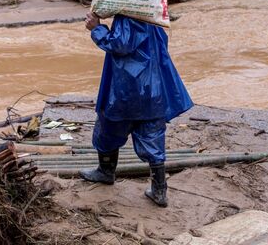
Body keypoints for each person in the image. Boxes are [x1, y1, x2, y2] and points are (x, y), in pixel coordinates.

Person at [80, 12, 194, 207]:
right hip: (153, 88)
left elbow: (119, 44)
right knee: (152, 135)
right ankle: (159, 189)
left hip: (126, 88)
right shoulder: (152, 17)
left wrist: (97, 28)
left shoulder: (128, 19)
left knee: (109, 126)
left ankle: (106, 171)